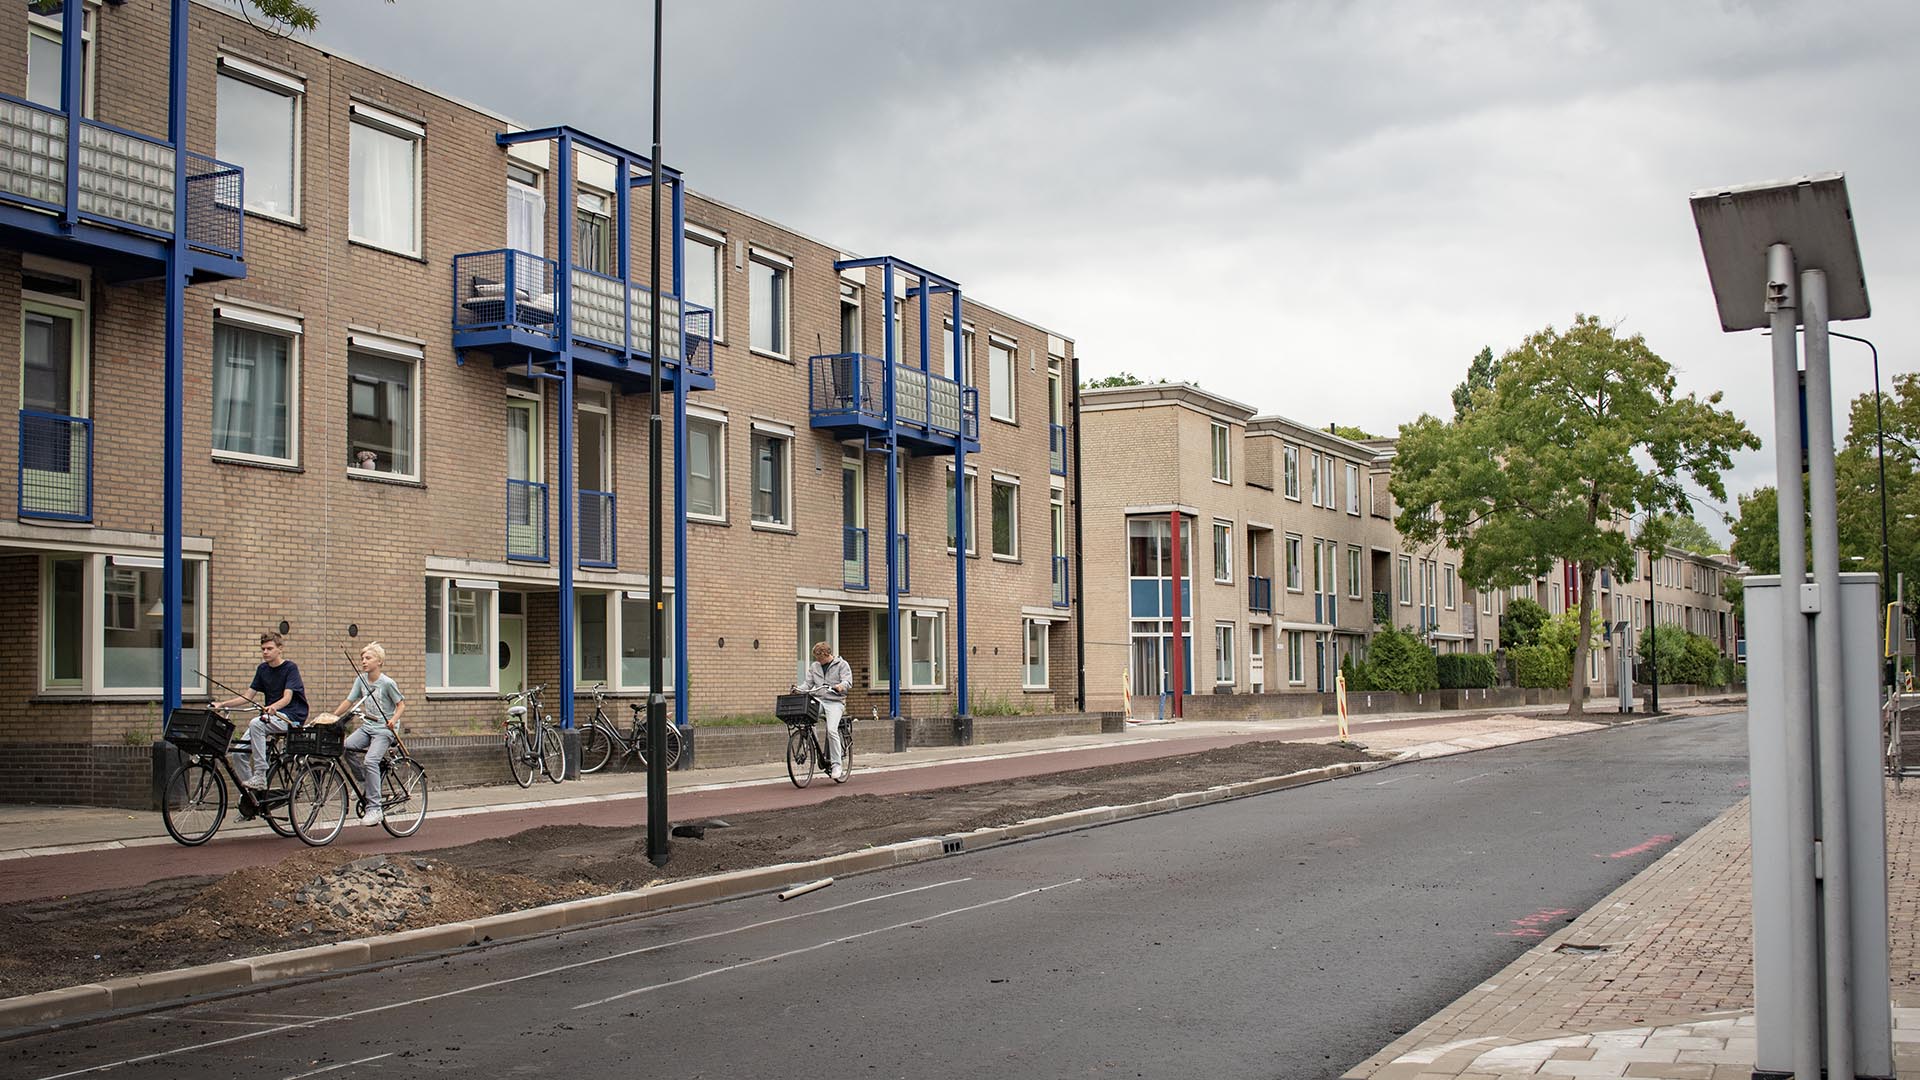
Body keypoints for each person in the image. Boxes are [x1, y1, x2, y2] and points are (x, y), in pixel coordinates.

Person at [314, 641, 406, 826]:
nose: (363, 661)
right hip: (368, 726)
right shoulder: (360, 679)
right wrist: (332, 716)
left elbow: (401, 704)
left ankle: (375, 808)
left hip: (384, 730)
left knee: (371, 760)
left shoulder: (388, 683)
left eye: (368, 658)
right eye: (362, 658)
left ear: (379, 661)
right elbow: (349, 700)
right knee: (345, 746)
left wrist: (393, 720)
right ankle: (364, 783)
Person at [212, 631, 308, 791]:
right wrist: (222, 704)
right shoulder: (262, 669)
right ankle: (252, 797)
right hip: (270, 718)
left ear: (280, 649)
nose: (265, 652)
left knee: (256, 723)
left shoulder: (290, 668)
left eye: (269, 648)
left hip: (290, 717)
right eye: (263, 649)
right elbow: (247, 696)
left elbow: (287, 698)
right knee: (238, 753)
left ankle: (260, 775)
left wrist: (273, 707)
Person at [795, 640, 851, 781]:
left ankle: (837, 764)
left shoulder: (841, 664)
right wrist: (798, 689)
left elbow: (847, 682)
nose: (818, 661)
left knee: (832, 730)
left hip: (835, 702)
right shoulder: (815, 667)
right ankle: (811, 740)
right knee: (807, 714)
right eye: (817, 658)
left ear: (827, 654)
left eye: (820, 658)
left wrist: (840, 686)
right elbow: (808, 684)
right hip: (820, 699)